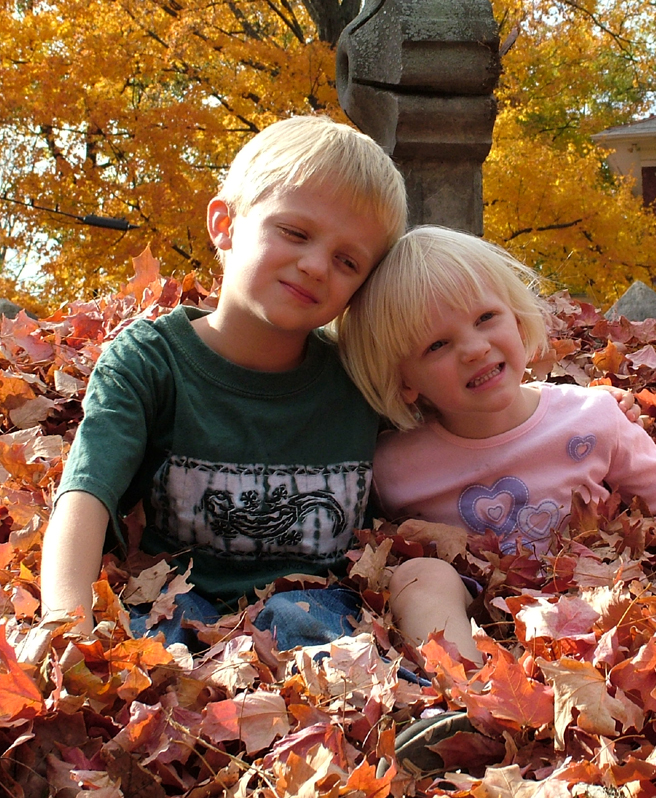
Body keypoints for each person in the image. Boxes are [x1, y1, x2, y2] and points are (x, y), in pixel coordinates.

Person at [39, 115, 408, 646]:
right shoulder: (150, 362)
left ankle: (421, 722)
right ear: (225, 225)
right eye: (295, 232)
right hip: (174, 596)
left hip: (317, 607)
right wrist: (65, 627)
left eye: (347, 261)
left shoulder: (362, 376)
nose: (315, 265)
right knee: (158, 636)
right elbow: (85, 495)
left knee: (304, 619)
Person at [338, 225, 656, 665]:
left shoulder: (590, 419)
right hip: (473, 613)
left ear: (516, 317)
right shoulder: (394, 467)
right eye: (437, 344)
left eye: (485, 318)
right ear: (405, 381)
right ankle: (466, 695)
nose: (474, 348)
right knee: (419, 576)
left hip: (589, 603)